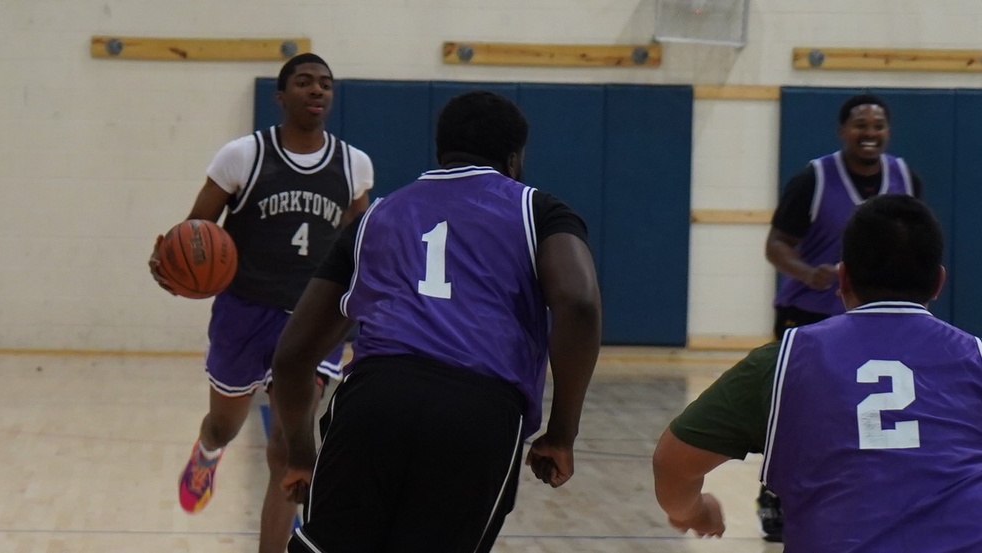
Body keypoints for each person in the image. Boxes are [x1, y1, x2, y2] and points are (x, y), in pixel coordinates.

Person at [270, 90, 602, 552]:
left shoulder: (374, 217)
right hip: (479, 411)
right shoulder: (540, 211)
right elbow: (580, 306)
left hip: (374, 399)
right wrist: (563, 432)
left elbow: (290, 358)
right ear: (514, 158)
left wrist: (302, 456)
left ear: (440, 151)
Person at [653, 195, 982, 551]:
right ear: (938, 282)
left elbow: (672, 464)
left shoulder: (782, 362)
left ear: (843, 278)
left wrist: (693, 512)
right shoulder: (976, 356)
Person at [147, 53, 374, 553]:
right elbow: (195, 233)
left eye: (325, 84)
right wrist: (171, 264)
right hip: (245, 311)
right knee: (225, 425)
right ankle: (207, 453)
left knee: (286, 450)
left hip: (313, 321)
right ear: (281, 95)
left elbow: (356, 244)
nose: (317, 91)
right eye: (304, 82)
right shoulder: (242, 156)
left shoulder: (354, 165)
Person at [760, 92, 923, 540]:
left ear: (887, 131)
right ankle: (774, 495)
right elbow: (775, 244)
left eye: (877, 126)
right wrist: (809, 273)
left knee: (868, 414)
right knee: (802, 412)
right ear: (842, 131)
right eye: (860, 125)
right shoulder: (813, 179)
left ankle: (870, 493)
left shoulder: (905, 177)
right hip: (809, 315)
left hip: (878, 319)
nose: (869, 134)